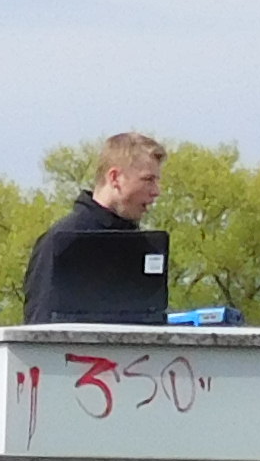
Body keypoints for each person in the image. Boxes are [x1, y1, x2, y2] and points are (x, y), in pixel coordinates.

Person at [19, 131, 166, 322]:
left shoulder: (143, 245)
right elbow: (40, 330)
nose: (156, 192)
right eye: (148, 180)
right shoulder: (64, 242)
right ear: (115, 178)